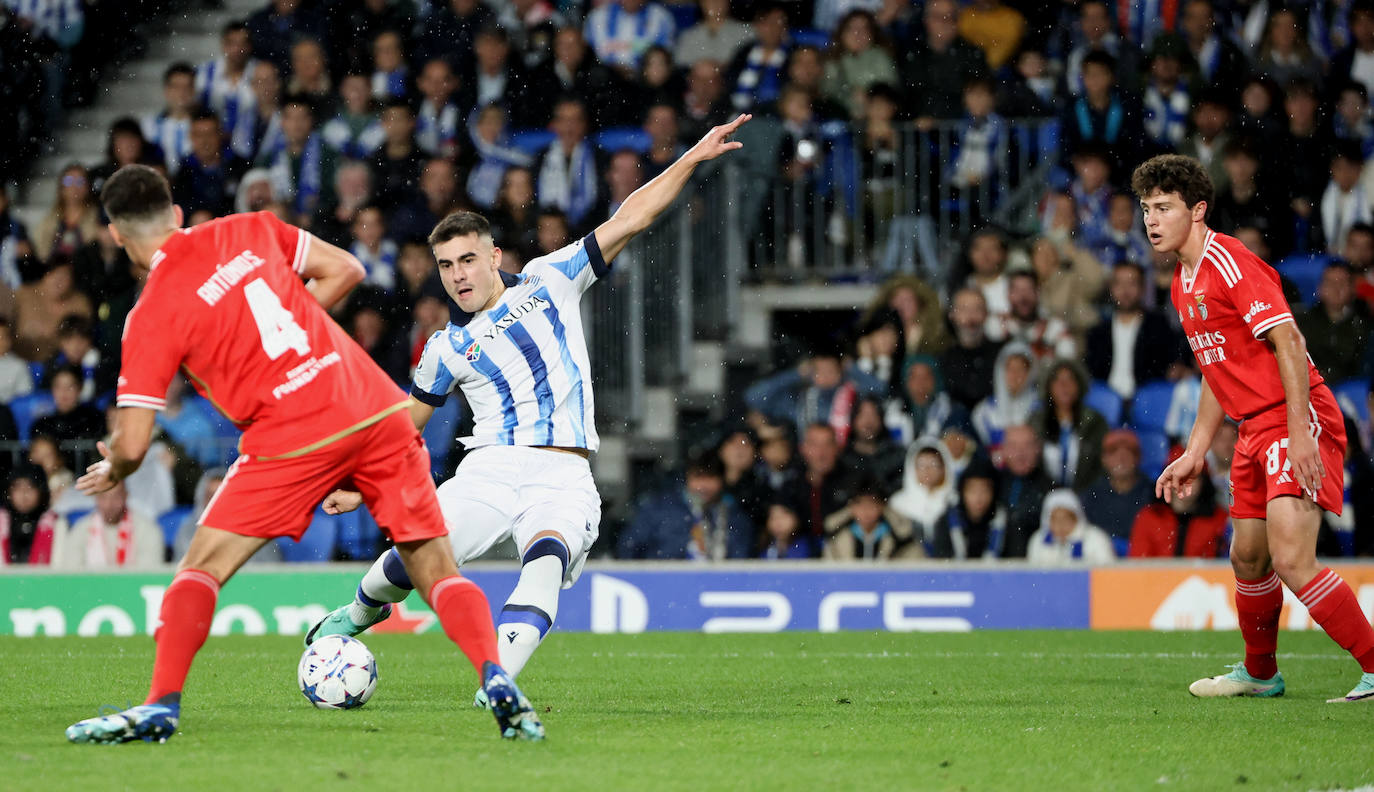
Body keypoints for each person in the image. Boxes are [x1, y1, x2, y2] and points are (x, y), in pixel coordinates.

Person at [63, 164, 540, 744]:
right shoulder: (248, 229)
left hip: (291, 432)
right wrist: (302, 331)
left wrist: (115, 465)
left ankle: (160, 706)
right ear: (177, 214)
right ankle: (495, 677)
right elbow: (346, 269)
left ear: (116, 234)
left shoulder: (150, 315)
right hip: (372, 406)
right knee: (435, 569)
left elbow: (135, 444)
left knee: (202, 568)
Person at [305, 116, 756, 698]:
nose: (458, 275)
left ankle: (497, 683)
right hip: (488, 469)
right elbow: (404, 428)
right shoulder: (445, 348)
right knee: (415, 552)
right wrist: (360, 482)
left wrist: (690, 158)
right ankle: (360, 613)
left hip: (563, 473)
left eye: (467, 259)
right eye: (445, 266)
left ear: (494, 255)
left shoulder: (550, 279)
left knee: (544, 560)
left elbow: (631, 217)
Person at [1135, 153, 1374, 702]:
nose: (1151, 220)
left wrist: (1299, 430)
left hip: (1293, 414)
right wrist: (1196, 448)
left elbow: (1288, 340)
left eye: (1164, 208)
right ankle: (1261, 674)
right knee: (1248, 556)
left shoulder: (1230, 261)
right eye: (1147, 208)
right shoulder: (1182, 281)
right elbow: (1215, 369)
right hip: (1252, 431)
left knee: (1292, 559)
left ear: (1197, 211)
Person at [618, 452, 755, 560]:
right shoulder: (658, 509)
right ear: (687, 478)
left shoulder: (734, 515)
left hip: (717, 588)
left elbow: (741, 560)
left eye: (711, 478)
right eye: (698, 477)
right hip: (665, 585)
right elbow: (628, 548)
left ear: (722, 481)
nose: (704, 486)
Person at [50, 481, 164, 569]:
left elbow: (147, 575)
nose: (109, 505)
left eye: (116, 497)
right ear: (95, 498)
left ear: (126, 496)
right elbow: (71, 574)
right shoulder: (80, 530)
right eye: (103, 497)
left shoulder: (148, 530)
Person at [1080, 429, 1154, 550]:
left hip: (1143, 564)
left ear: (1138, 457)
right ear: (1103, 459)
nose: (1121, 459)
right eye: (1113, 452)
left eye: (1128, 452)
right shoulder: (1090, 496)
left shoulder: (1154, 494)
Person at [1026, 488, 1116, 564]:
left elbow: (1107, 572)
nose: (1060, 525)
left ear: (1077, 518)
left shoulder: (1096, 538)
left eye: (1066, 519)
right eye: (1055, 520)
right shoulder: (1038, 540)